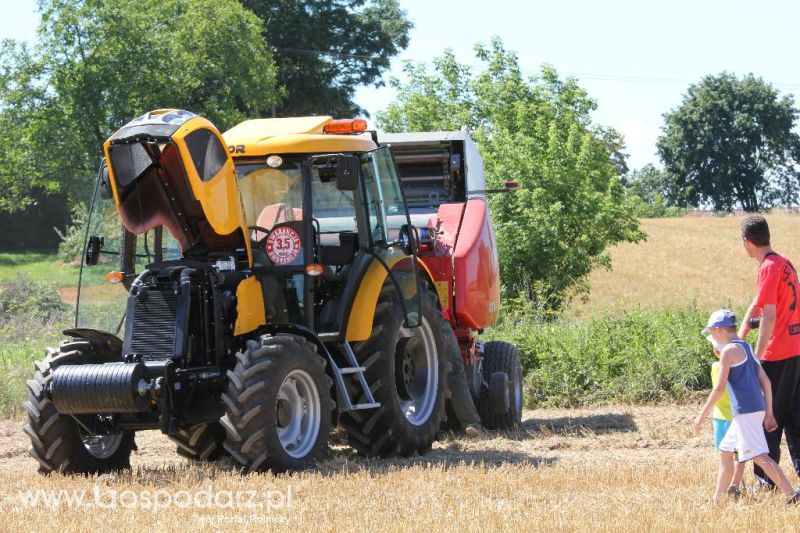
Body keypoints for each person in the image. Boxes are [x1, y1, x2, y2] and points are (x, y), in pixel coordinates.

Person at [694, 309, 800, 504]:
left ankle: (792, 495)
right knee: (726, 452)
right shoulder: (747, 347)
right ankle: (717, 500)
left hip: (746, 412)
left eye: (711, 331)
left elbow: (719, 388)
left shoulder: (727, 352)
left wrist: (701, 415)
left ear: (718, 330)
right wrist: (769, 412)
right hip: (752, 409)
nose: (711, 336)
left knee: (760, 457)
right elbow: (766, 382)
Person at [738, 215, 800, 487]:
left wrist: (756, 356)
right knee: (794, 415)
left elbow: (770, 316)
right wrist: (740, 337)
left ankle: (766, 480)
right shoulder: (782, 262)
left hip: (777, 353)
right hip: (796, 348)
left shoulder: (767, 268)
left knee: (768, 416)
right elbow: (758, 302)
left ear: (746, 243)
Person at [708, 344, 745, 497]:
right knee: (739, 454)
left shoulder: (716, 367)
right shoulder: (739, 369)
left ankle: (724, 487)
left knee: (725, 456)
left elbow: (718, 388)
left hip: (720, 417)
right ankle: (735, 484)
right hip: (737, 416)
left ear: (716, 352)